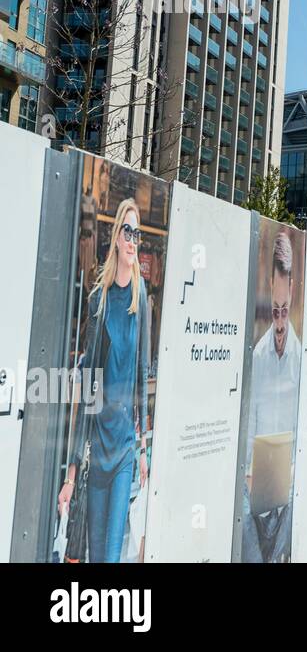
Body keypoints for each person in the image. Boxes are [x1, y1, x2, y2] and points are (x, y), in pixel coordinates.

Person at [59, 198, 151, 564]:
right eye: (127, 232)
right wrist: (71, 471)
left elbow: (142, 375)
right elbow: (88, 392)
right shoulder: (99, 301)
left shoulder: (140, 299)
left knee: (111, 556)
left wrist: (143, 447)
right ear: (116, 238)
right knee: (94, 554)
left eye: (137, 234)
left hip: (125, 448)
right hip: (97, 450)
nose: (133, 240)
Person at [243, 229, 303, 562]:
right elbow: (250, 424)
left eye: (284, 310)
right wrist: (252, 478)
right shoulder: (258, 356)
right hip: (258, 484)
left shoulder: (302, 358)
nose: (279, 322)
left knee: (293, 505)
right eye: (275, 311)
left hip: (292, 484)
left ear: (291, 290)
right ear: (271, 289)